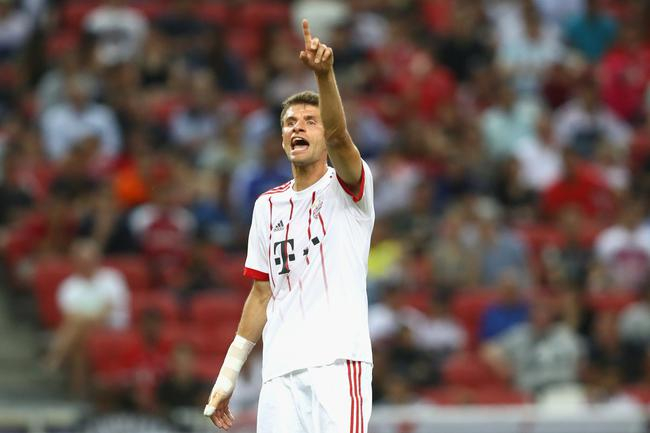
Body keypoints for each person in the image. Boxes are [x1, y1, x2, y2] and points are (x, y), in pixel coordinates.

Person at [204, 19, 375, 433]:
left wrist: (324, 75)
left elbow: (340, 137)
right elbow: (260, 294)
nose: (297, 126)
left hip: (337, 364)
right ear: (282, 138)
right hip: (279, 375)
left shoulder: (349, 189)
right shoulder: (267, 206)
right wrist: (227, 375)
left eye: (309, 121)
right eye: (289, 122)